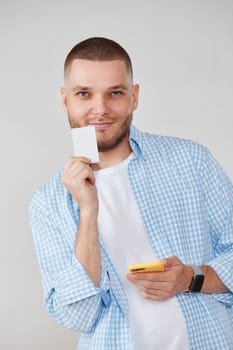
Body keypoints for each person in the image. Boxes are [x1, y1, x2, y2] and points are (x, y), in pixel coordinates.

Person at [29, 37, 233, 350]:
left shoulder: (190, 161)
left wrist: (192, 278)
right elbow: (78, 316)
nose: (100, 109)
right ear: (65, 100)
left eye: (115, 93)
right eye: (84, 94)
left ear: (134, 97)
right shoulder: (48, 203)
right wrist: (87, 212)